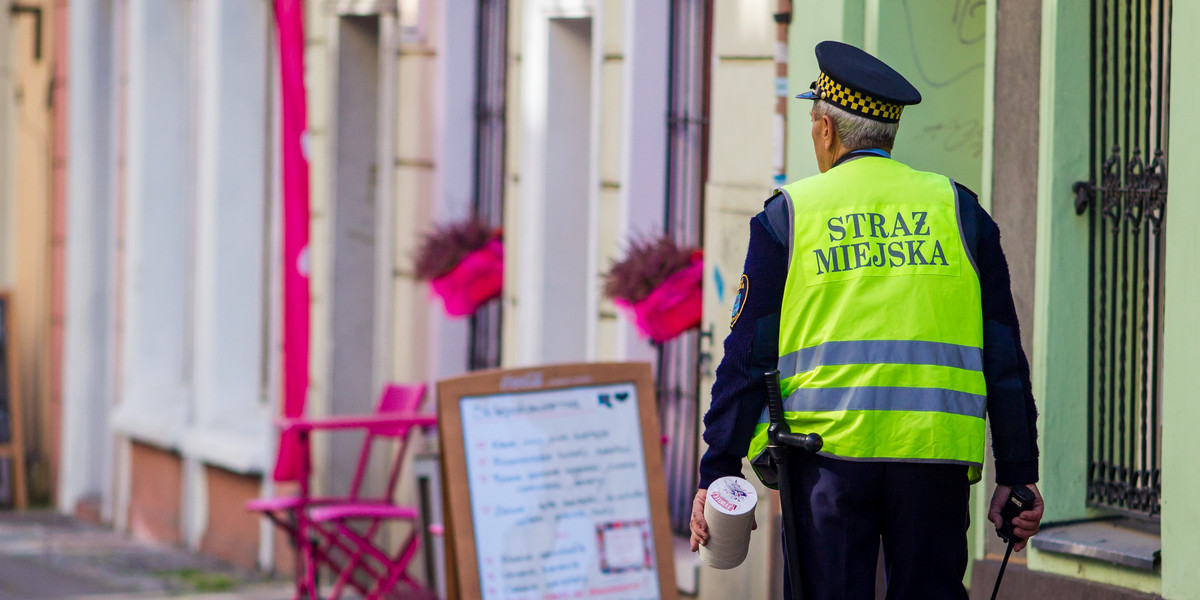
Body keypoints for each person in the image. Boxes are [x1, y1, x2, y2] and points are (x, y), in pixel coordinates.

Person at [688, 41, 1044, 600]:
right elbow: (1003, 356)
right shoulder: (961, 212)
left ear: (826, 129)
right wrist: (1018, 474)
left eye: (812, 123)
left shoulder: (788, 217)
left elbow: (747, 357)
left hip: (826, 464)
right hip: (935, 463)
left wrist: (718, 469)